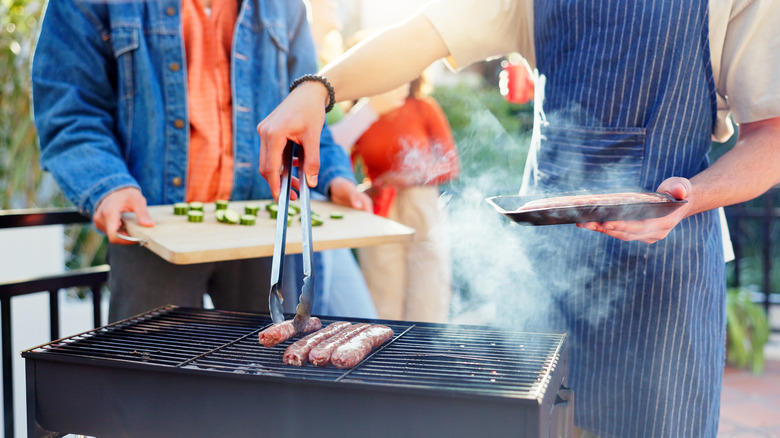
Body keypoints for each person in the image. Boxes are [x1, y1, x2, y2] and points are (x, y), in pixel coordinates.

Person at [255, 1, 780, 437]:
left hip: (666, 279)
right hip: (542, 272)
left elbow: (771, 134)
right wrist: (318, 89)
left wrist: (694, 196)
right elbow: (425, 33)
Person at [31, 0, 372, 323]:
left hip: (263, 233)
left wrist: (332, 175)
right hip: (154, 230)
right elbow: (69, 109)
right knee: (148, 372)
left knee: (270, 372)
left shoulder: (285, 5)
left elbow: (308, 110)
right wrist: (107, 185)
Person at [352, 75, 459, 323]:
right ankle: (381, 354)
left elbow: (451, 165)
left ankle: (426, 352)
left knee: (429, 285)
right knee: (380, 288)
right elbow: (338, 167)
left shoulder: (424, 107)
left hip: (421, 204)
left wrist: (408, 178)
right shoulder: (363, 113)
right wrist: (361, 190)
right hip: (380, 209)